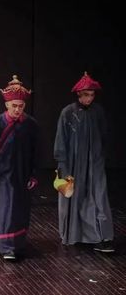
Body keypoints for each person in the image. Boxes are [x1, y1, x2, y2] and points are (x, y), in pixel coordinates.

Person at [54, 72, 114, 253]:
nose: (89, 98)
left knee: (98, 197)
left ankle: (101, 237)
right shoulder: (68, 113)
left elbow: (103, 135)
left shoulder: (98, 111)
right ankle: (74, 235)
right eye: (86, 94)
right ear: (79, 94)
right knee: (74, 197)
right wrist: (63, 164)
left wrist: (100, 156)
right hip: (74, 163)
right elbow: (61, 140)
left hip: (94, 162)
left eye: (92, 95)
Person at [0, 75, 39, 261]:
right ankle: (7, 246)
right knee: (5, 207)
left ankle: (16, 243)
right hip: (3, 174)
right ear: (7, 104)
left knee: (20, 209)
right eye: (14, 106)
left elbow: (36, 151)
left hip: (22, 173)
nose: (17, 109)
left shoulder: (30, 124)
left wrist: (33, 175)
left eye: (20, 106)